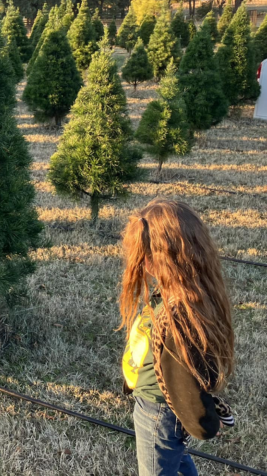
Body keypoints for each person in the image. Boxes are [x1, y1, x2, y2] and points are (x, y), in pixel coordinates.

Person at [119, 199, 235, 476]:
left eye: (143, 256)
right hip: (158, 407)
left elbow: (184, 382)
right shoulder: (184, 292)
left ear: (163, 258)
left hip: (157, 412)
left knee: (157, 469)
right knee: (175, 459)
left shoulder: (179, 316)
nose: (141, 264)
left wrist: (204, 423)